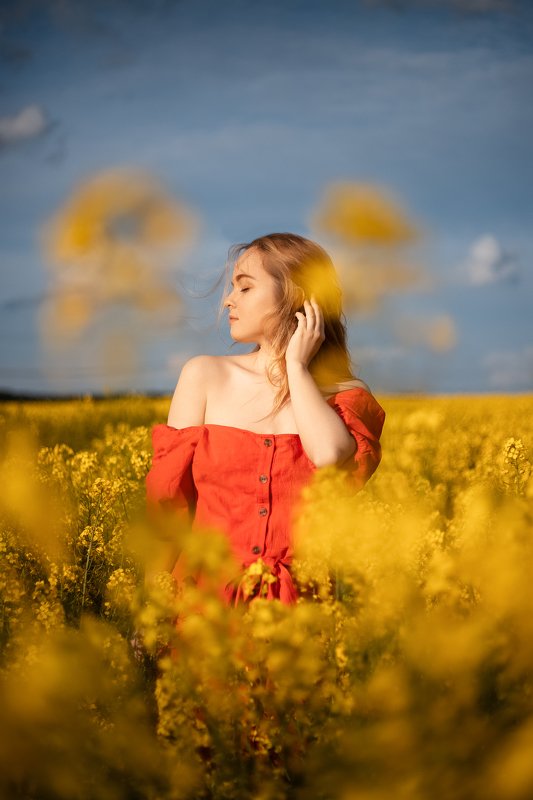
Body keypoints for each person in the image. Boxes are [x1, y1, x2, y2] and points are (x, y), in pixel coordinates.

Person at [145, 232, 386, 608]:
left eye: (245, 287)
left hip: (301, 614)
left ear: (298, 297)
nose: (229, 300)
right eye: (233, 288)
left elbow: (328, 455)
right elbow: (169, 512)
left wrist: (297, 368)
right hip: (205, 610)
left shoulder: (347, 396)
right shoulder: (204, 376)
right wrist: (149, 609)